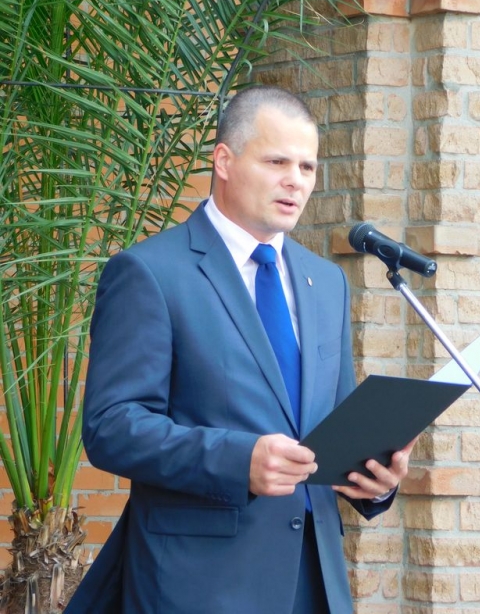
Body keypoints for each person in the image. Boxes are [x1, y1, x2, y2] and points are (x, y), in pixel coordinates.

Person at [65, 85, 414, 614]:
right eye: (277, 162)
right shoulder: (150, 272)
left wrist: (374, 481)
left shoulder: (327, 281)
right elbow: (111, 427)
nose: (295, 180)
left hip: (315, 581)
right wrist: (237, 460)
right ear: (224, 161)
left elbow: (334, 426)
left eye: (307, 167)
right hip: (200, 586)